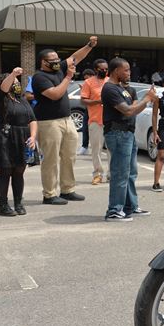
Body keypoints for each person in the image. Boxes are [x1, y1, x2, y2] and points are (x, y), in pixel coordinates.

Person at [31, 37, 98, 205]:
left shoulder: (58, 68)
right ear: (43, 62)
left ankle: (67, 190)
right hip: (48, 122)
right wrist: (68, 77)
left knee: (69, 156)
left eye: (57, 59)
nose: (56, 62)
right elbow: (55, 94)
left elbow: (76, 57)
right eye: (52, 60)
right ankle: (49, 194)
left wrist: (89, 45)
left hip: (67, 119)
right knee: (51, 159)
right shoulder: (39, 77)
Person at [102, 58, 156, 221]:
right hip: (117, 133)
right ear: (116, 71)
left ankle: (130, 206)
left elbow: (134, 110)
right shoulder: (110, 89)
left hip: (128, 134)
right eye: (125, 70)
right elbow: (127, 111)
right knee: (120, 172)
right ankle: (114, 210)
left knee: (131, 172)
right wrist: (146, 99)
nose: (129, 73)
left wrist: (145, 100)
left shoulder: (123, 89)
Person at [0, 68, 37, 216]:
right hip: (5, 137)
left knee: (19, 172)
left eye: (17, 81)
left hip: (22, 138)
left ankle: (19, 203)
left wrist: (33, 137)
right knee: (5, 172)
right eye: (14, 82)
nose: (17, 84)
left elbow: (32, 119)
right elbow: (3, 89)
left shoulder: (22, 100)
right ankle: (3, 206)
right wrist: (13, 74)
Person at [80, 59, 109, 185]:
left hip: (110, 121)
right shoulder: (88, 82)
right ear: (96, 69)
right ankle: (98, 174)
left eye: (106, 69)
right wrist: (98, 101)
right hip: (95, 120)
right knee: (96, 149)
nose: (104, 71)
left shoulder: (111, 81)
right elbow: (83, 100)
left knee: (111, 149)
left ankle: (111, 174)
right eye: (102, 69)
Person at [76, 69, 94, 156]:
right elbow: (84, 99)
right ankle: (84, 146)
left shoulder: (96, 84)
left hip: (97, 110)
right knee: (85, 127)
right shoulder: (87, 84)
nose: (86, 80)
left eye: (87, 78)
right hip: (88, 109)